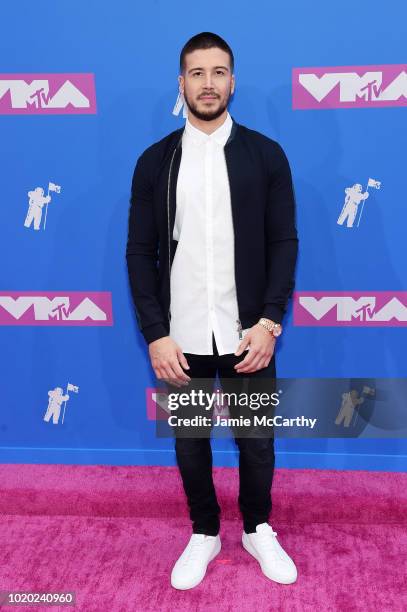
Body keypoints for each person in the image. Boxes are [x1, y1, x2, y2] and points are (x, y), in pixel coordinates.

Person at [126, 32, 299, 590]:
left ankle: (256, 526)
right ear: (181, 84)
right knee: (190, 441)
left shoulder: (265, 155)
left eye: (218, 72)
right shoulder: (156, 161)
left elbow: (283, 243)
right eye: (196, 73)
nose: (208, 83)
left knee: (256, 440)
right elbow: (139, 251)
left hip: (250, 331)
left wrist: (271, 321)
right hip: (181, 337)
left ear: (233, 81)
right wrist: (155, 332)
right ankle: (204, 531)